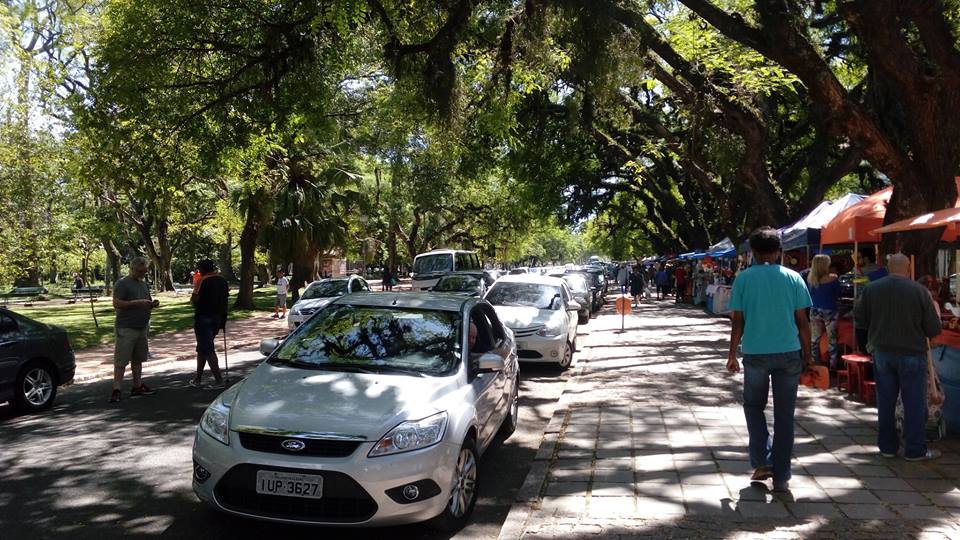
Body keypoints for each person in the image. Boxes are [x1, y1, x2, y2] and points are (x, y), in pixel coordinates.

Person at [727, 227, 813, 492]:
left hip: (755, 352)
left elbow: (737, 321)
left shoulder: (744, 279)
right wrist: (808, 356)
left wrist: (732, 354)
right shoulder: (794, 278)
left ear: (752, 252)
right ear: (779, 251)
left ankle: (762, 460)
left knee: (754, 407)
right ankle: (783, 474)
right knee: (785, 414)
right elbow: (803, 322)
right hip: (789, 353)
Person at [855, 253, 942, 461]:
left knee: (885, 401)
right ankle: (914, 449)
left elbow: (860, 321)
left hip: (882, 352)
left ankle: (887, 447)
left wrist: (867, 346)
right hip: (912, 352)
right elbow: (933, 328)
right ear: (908, 268)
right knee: (914, 402)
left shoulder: (871, 289)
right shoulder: (920, 292)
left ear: (888, 267)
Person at [109, 257, 159, 403]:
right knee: (121, 360)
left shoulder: (144, 284)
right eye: (140, 271)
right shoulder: (122, 283)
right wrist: (136, 303)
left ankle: (137, 386)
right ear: (132, 269)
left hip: (142, 326)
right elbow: (116, 303)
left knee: (138, 359)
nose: (143, 273)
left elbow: (147, 300)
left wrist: (152, 303)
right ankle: (116, 389)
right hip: (126, 327)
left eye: (145, 271)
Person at [190, 259, 229, 389]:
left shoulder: (202, 280)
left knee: (207, 349)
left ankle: (219, 380)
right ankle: (198, 378)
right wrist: (224, 319)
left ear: (202, 269)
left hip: (203, 318)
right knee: (202, 348)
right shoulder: (222, 281)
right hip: (217, 318)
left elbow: (194, 300)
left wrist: (195, 291)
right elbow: (225, 301)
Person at [807, 254, 842, 369]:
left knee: (814, 339)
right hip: (830, 311)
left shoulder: (810, 279)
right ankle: (833, 365)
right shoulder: (833, 278)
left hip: (815, 310)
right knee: (832, 340)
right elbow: (838, 294)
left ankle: (816, 364)